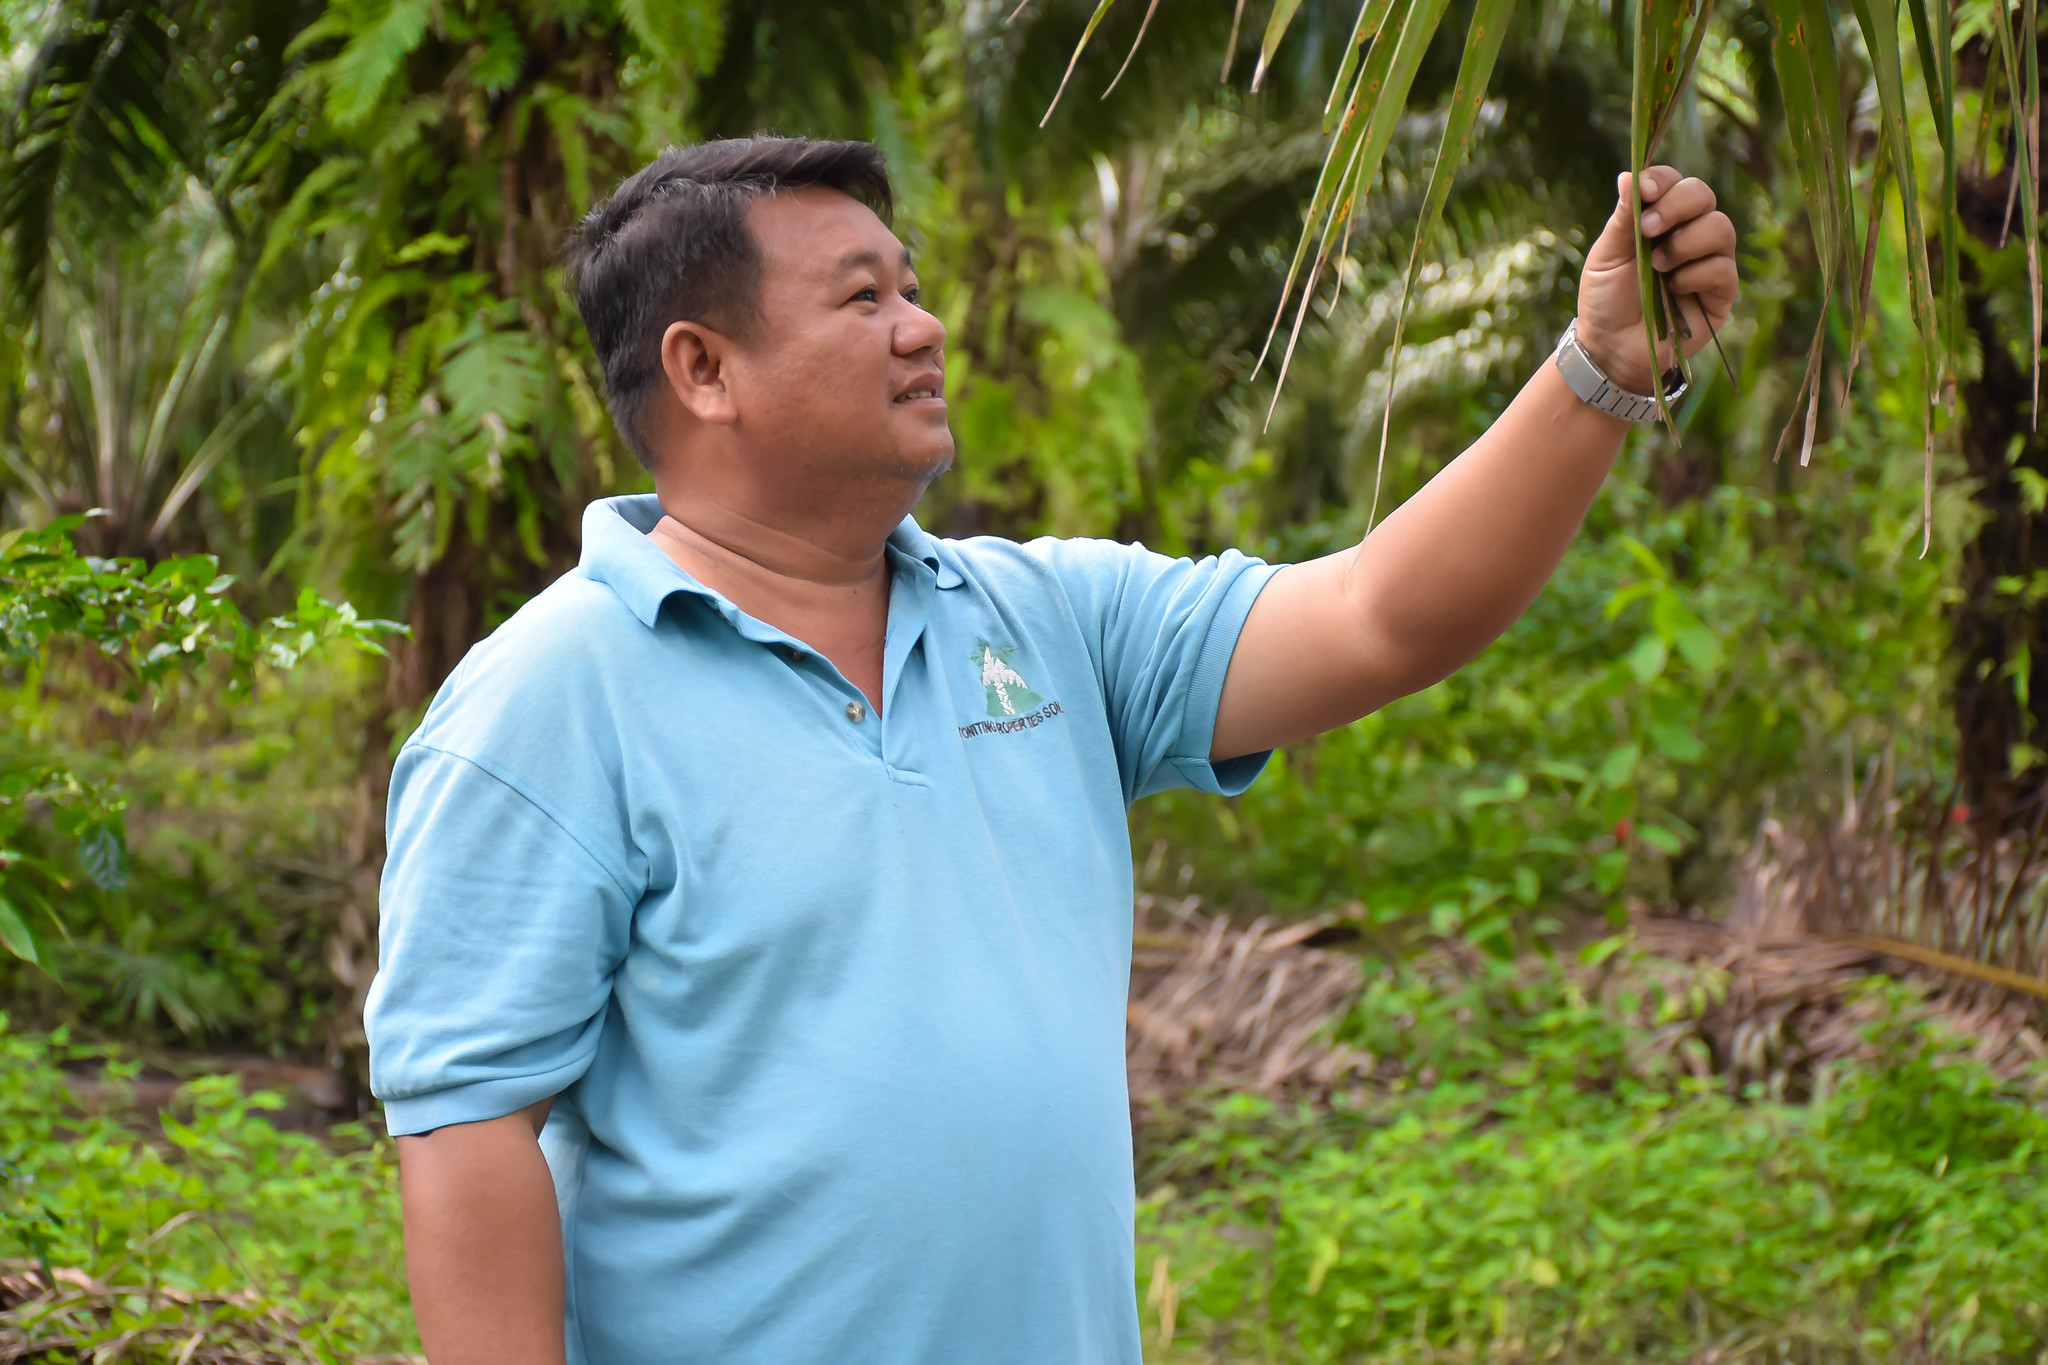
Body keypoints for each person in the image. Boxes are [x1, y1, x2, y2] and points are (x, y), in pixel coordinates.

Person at [365, 135, 1738, 1365]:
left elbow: (1378, 615)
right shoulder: (549, 700)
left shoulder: (1049, 617)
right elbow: (470, 1127)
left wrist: (1599, 371)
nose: (926, 326)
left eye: (909, 285)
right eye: (864, 296)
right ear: (703, 368)